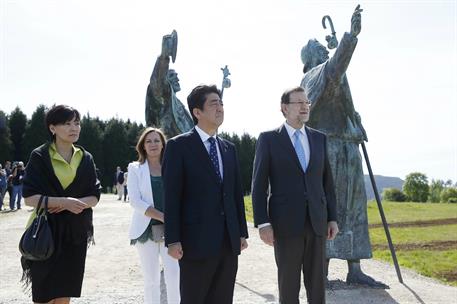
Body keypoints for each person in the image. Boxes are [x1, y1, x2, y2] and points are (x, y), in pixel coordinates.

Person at [300, 5, 385, 287]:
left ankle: (355, 268)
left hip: (348, 148)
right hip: (328, 149)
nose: (323, 52)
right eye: (318, 50)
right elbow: (334, 70)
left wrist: (357, 124)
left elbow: (340, 80)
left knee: (354, 208)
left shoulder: (332, 73)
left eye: (324, 50)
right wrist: (350, 38)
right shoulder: (313, 77)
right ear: (309, 58)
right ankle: (320, 271)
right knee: (330, 207)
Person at [251, 86, 338, 304]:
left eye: (306, 102)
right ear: (284, 108)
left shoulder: (320, 139)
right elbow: (258, 185)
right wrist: (263, 223)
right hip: (285, 225)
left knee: (318, 285)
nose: (305, 106)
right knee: (288, 286)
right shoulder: (269, 139)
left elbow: (327, 183)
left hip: (317, 222)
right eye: (299, 102)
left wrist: (332, 218)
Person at [163, 84, 248, 304]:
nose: (220, 108)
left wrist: (240, 232)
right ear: (197, 112)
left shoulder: (229, 148)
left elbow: (235, 193)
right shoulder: (178, 146)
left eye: (221, 103)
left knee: (223, 299)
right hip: (195, 243)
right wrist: (173, 239)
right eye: (213, 103)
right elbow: (172, 197)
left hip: (228, 243)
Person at [22, 104, 101, 304]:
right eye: (67, 123)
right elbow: (29, 198)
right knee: (44, 293)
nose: (74, 128)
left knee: (65, 292)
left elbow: (94, 196)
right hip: (45, 233)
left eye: (77, 123)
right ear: (52, 128)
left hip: (75, 234)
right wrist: (63, 202)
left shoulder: (85, 157)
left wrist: (75, 204)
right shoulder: (39, 156)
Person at [127, 127, 180, 304]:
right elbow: (135, 201)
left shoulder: (172, 167)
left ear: (163, 144)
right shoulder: (135, 168)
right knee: (151, 279)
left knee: (174, 275)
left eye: (157, 140)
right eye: (148, 141)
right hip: (146, 230)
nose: (153, 144)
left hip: (172, 229)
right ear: (142, 146)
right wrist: (163, 216)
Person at [145, 30, 193, 139]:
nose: (178, 79)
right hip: (167, 150)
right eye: (173, 76)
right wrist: (164, 56)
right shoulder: (163, 99)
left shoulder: (178, 105)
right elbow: (158, 83)